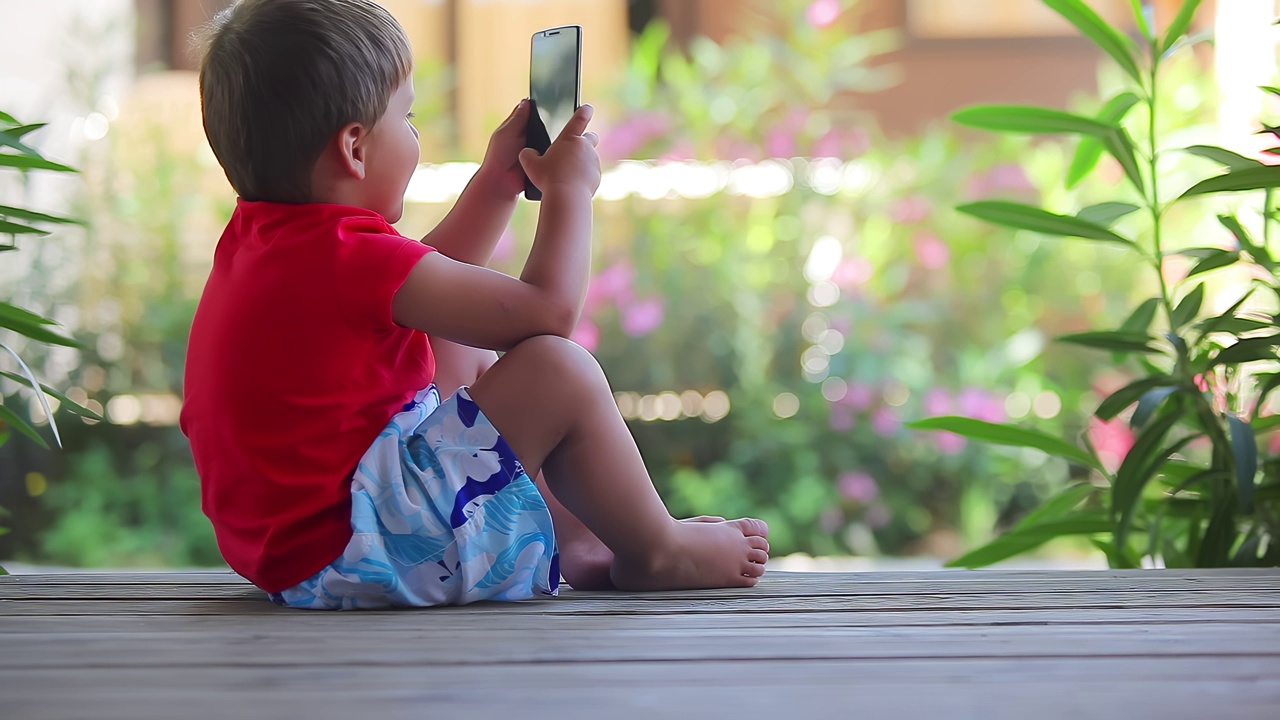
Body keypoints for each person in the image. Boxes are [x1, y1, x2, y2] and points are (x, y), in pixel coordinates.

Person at [180, 0, 769, 610]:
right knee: (556, 368)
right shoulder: (344, 255)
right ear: (354, 149)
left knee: (449, 337)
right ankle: (658, 549)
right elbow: (549, 313)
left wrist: (496, 178)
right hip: (364, 550)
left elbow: (425, 281)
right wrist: (569, 191)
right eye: (407, 118)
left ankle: (585, 543)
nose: (416, 134)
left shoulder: (271, 239)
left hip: (305, 552)